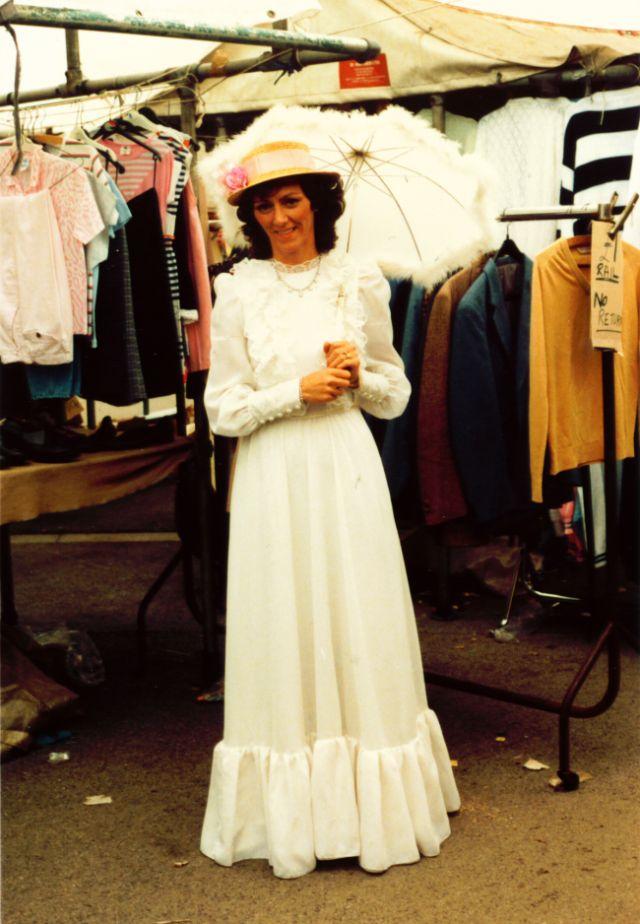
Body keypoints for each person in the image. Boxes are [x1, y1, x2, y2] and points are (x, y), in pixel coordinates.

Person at [200, 140, 460, 879]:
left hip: (345, 464)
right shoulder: (240, 289)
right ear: (250, 213)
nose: (279, 217)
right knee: (284, 621)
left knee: (357, 614)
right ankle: (290, 815)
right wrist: (295, 392)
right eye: (264, 204)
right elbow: (224, 408)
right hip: (274, 473)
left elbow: (395, 391)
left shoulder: (357, 281)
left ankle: (375, 808)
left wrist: (356, 377)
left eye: (292, 200)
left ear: (318, 203)